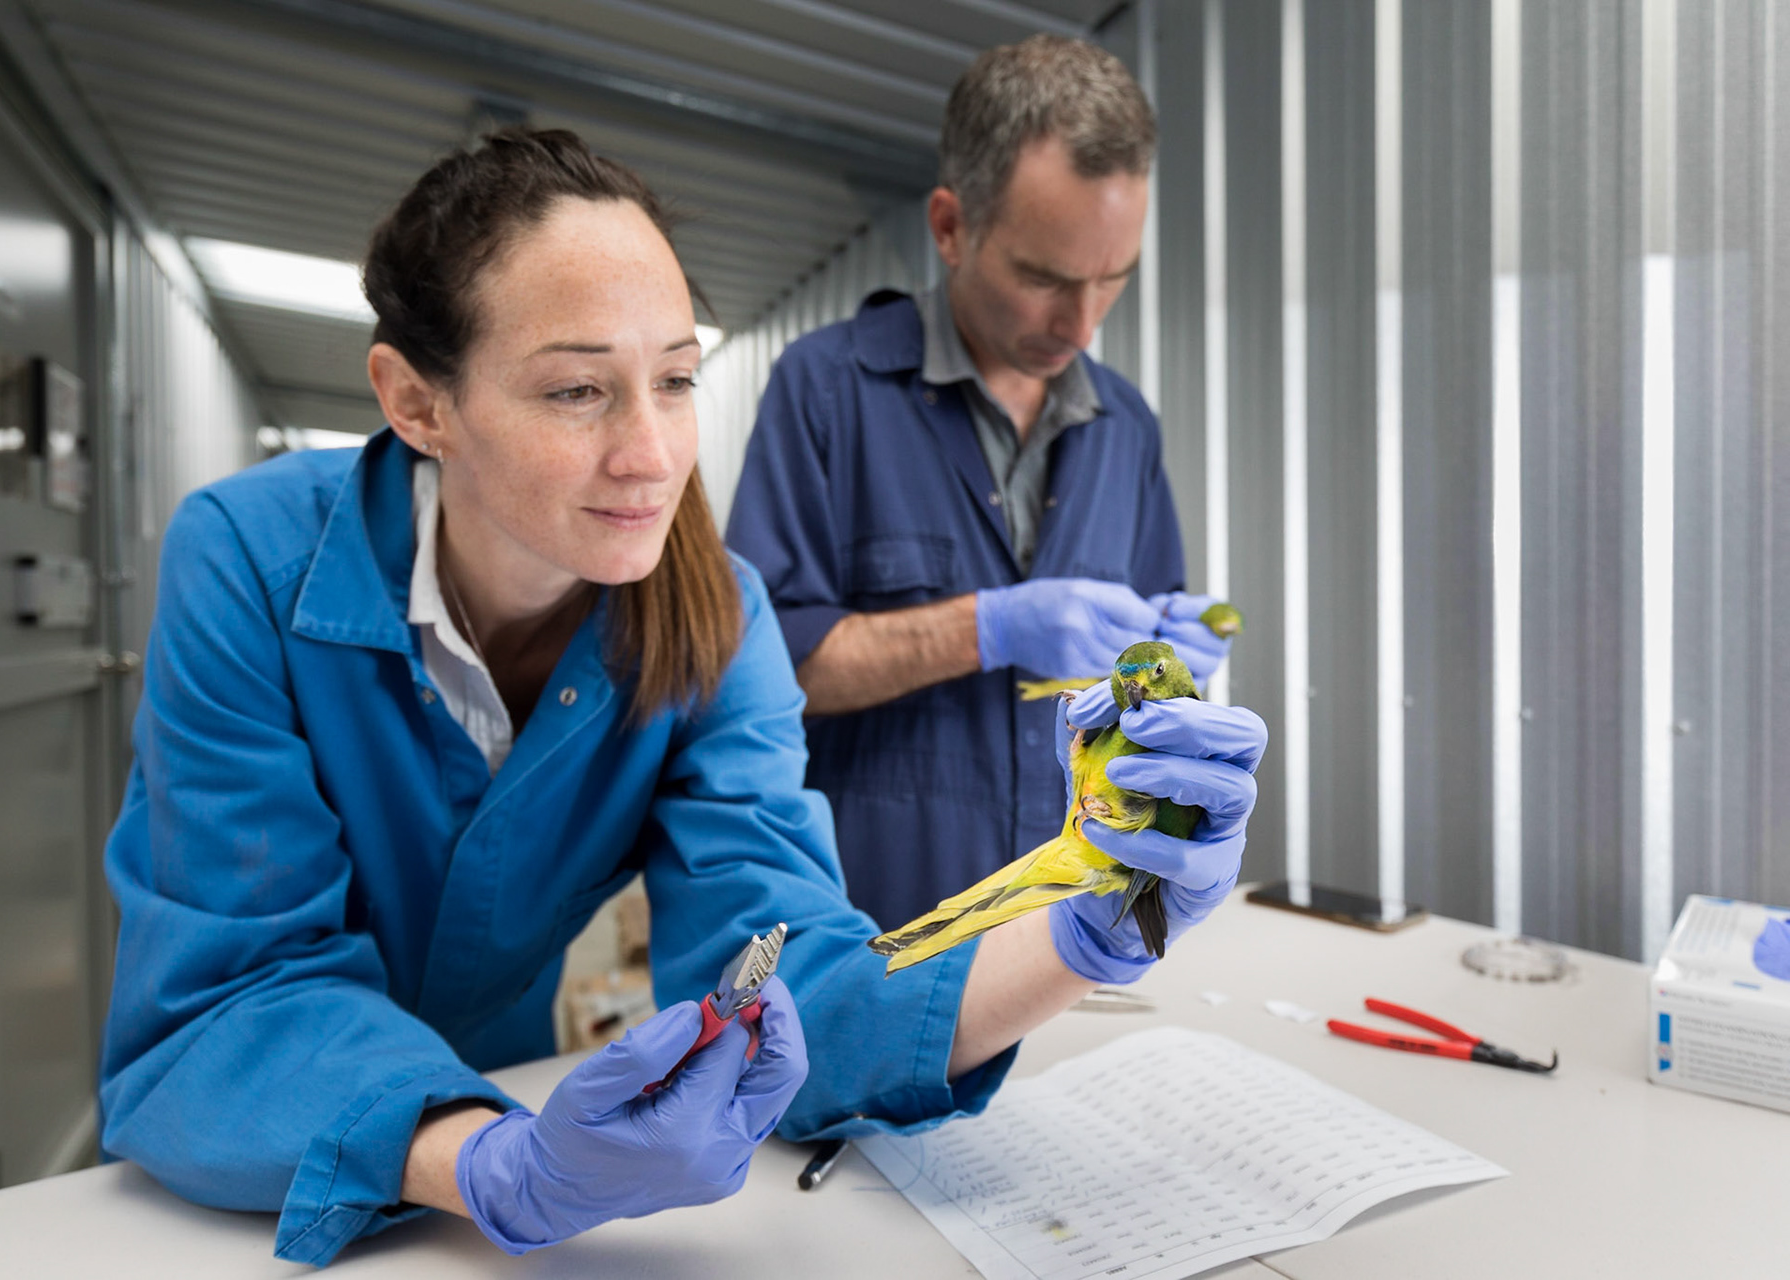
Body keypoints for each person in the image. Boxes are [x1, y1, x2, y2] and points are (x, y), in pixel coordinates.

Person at [96, 129, 1266, 1267]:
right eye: (576, 392)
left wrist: (1089, 929)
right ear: (416, 403)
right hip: (257, 1154)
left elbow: (785, 958)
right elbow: (231, 992)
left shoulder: (720, 611)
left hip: (498, 1112)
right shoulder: (248, 560)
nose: (653, 454)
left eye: (673, 378)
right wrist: (496, 1166)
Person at [726, 36, 1236, 933]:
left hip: (1071, 936)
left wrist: (1171, 671)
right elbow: (766, 676)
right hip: (872, 935)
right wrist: (990, 627)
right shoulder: (825, 390)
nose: (1080, 323)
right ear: (951, 226)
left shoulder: (1126, 427)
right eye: (1044, 278)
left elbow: (1148, 696)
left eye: (1112, 279)